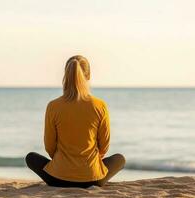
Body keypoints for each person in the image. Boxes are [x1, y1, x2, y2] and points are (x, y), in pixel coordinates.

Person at [25, 55, 125, 188]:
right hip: (93, 180)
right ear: (88, 76)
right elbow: (104, 146)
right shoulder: (100, 105)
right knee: (120, 159)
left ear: (66, 75)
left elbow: (50, 147)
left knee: (31, 158)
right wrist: (88, 166)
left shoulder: (53, 106)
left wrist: (64, 166)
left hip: (58, 179)